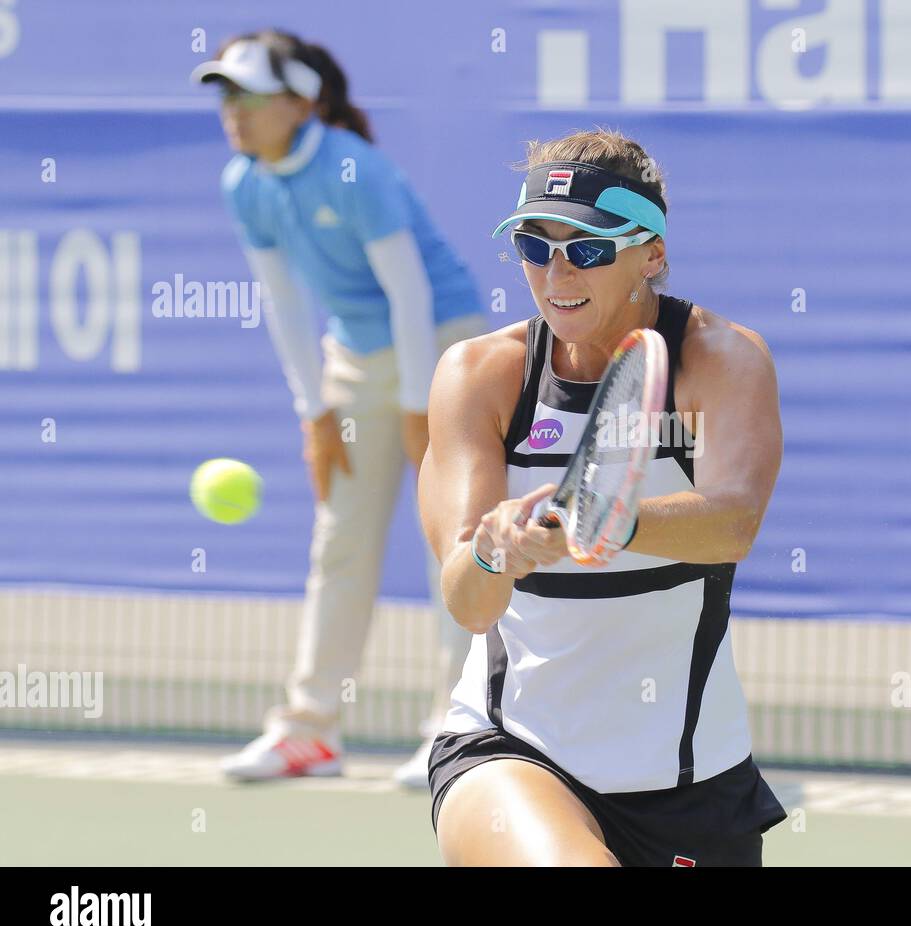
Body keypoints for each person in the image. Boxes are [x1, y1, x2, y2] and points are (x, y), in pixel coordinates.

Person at [418, 128, 787, 865]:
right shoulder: (480, 376)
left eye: (586, 247)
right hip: (512, 752)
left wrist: (600, 521)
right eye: (535, 245)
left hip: (693, 780)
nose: (557, 270)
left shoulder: (720, 360)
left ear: (651, 253)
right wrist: (496, 550)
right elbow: (468, 603)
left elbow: (731, 525)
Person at [191, 29, 484, 786]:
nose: (235, 113)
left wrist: (422, 407)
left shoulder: (356, 170)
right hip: (353, 358)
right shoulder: (243, 183)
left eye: (251, 96)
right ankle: (309, 731)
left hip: (443, 344)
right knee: (340, 542)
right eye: (226, 96)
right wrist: (314, 411)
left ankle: (455, 730)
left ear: (300, 101)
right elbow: (283, 300)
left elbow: (411, 292)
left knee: (445, 541)